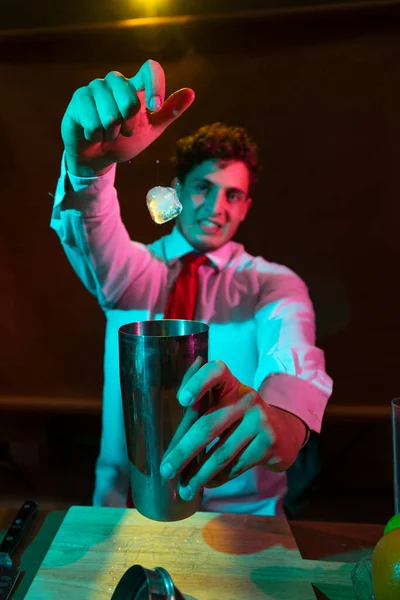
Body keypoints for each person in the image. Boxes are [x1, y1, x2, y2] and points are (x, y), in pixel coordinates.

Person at [51, 60, 332, 515]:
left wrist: (284, 421)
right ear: (177, 189)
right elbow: (92, 229)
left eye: (233, 195)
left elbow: (293, 361)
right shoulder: (133, 272)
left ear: (246, 207)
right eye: (203, 187)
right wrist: (89, 170)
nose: (216, 208)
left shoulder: (272, 283)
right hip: (121, 508)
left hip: (236, 518)